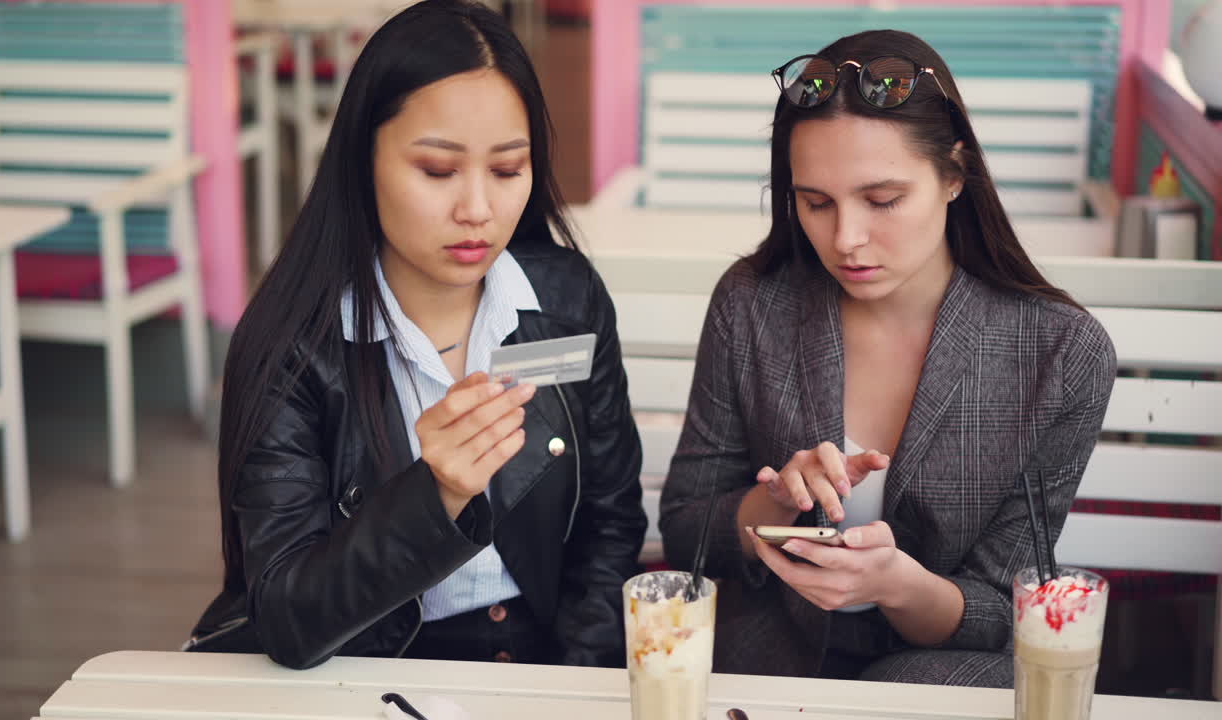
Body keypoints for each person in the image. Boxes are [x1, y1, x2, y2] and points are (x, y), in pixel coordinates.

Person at [184, 0, 646, 669]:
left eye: (508, 169)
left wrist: (575, 684)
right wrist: (436, 496)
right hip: (367, 669)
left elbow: (609, 525)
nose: (478, 210)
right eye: (436, 170)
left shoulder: (565, 302)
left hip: (543, 658)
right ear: (362, 157)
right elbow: (288, 616)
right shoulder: (294, 346)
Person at [659, 30, 1116, 687]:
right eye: (815, 203)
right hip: (768, 669)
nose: (845, 238)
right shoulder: (753, 305)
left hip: (940, 677)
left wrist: (898, 584)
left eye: (882, 201)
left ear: (956, 174)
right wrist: (776, 504)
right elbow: (684, 530)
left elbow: (1003, 612)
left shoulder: (1060, 353)